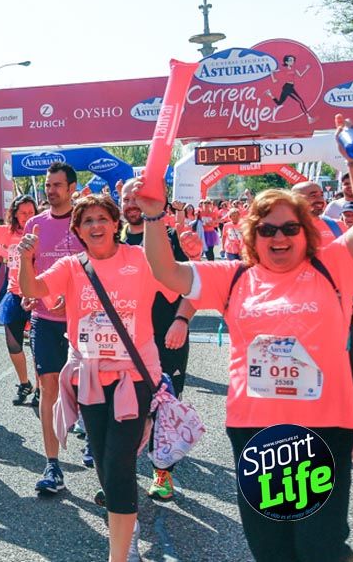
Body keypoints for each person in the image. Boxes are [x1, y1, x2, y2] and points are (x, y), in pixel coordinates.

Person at [142, 117, 353, 562]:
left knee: (320, 546)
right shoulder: (234, 276)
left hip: (322, 427)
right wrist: (153, 215)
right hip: (255, 431)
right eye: (267, 229)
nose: (278, 237)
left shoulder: (332, 265)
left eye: (289, 228)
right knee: (270, 547)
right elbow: (165, 271)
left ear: (307, 232)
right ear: (252, 236)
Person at [19, 194, 174, 562]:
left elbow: (180, 285)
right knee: (105, 463)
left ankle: (119, 552)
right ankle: (127, 522)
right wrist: (25, 258)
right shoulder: (73, 266)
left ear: (115, 222)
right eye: (87, 221)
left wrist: (182, 320)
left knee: (119, 461)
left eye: (102, 218)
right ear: (78, 230)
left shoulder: (138, 259)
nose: (95, 226)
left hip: (134, 378)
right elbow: (33, 290)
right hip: (89, 377)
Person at [119, 180, 193, 501]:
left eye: (138, 198)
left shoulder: (170, 236)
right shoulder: (111, 239)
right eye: (126, 199)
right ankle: (119, 474)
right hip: (125, 341)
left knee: (164, 405)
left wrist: (181, 320)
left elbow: (191, 284)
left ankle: (162, 474)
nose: (132, 204)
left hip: (167, 337)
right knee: (126, 406)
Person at [24, 161, 85, 493]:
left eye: (57, 185)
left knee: (88, 389)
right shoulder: (34, 224)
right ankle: (52, 466)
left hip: (84, 321)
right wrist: (27, 295)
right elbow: (27, 270)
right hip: (45, 321)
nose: (50, 190)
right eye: (48, 185)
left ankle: (94, 443)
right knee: (48, 389)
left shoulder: (86, 221)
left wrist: (74, 298)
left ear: (72, 187)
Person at [0, 194, 40, 405]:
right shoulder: (8, 233)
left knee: (37, 347)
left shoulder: (40, 232)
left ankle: (40, 388)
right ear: (15, 213)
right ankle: (24, 383)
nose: (27, 216)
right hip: (14, 295)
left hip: (36, 295)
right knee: (13, 345)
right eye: (23, 212)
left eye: (31, 212)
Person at [265, 53, 316, 124]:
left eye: (293, 60)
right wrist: (273, 79)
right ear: (286, 62)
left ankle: (270, 94)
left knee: (279, 103)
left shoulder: (294, 69)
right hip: (287, 87)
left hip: (290, 87)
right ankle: (309, 117)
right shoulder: (283, 68)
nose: (292, 61)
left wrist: (306, 69)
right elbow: (272, 71)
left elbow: (300, 75)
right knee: (300, 101)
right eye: (290, 60)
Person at [292, 180, 345, 245]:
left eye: (321, 195)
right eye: (313, 196)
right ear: (296, 199)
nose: (320, 200)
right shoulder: (284, 228)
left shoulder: (339, 226)